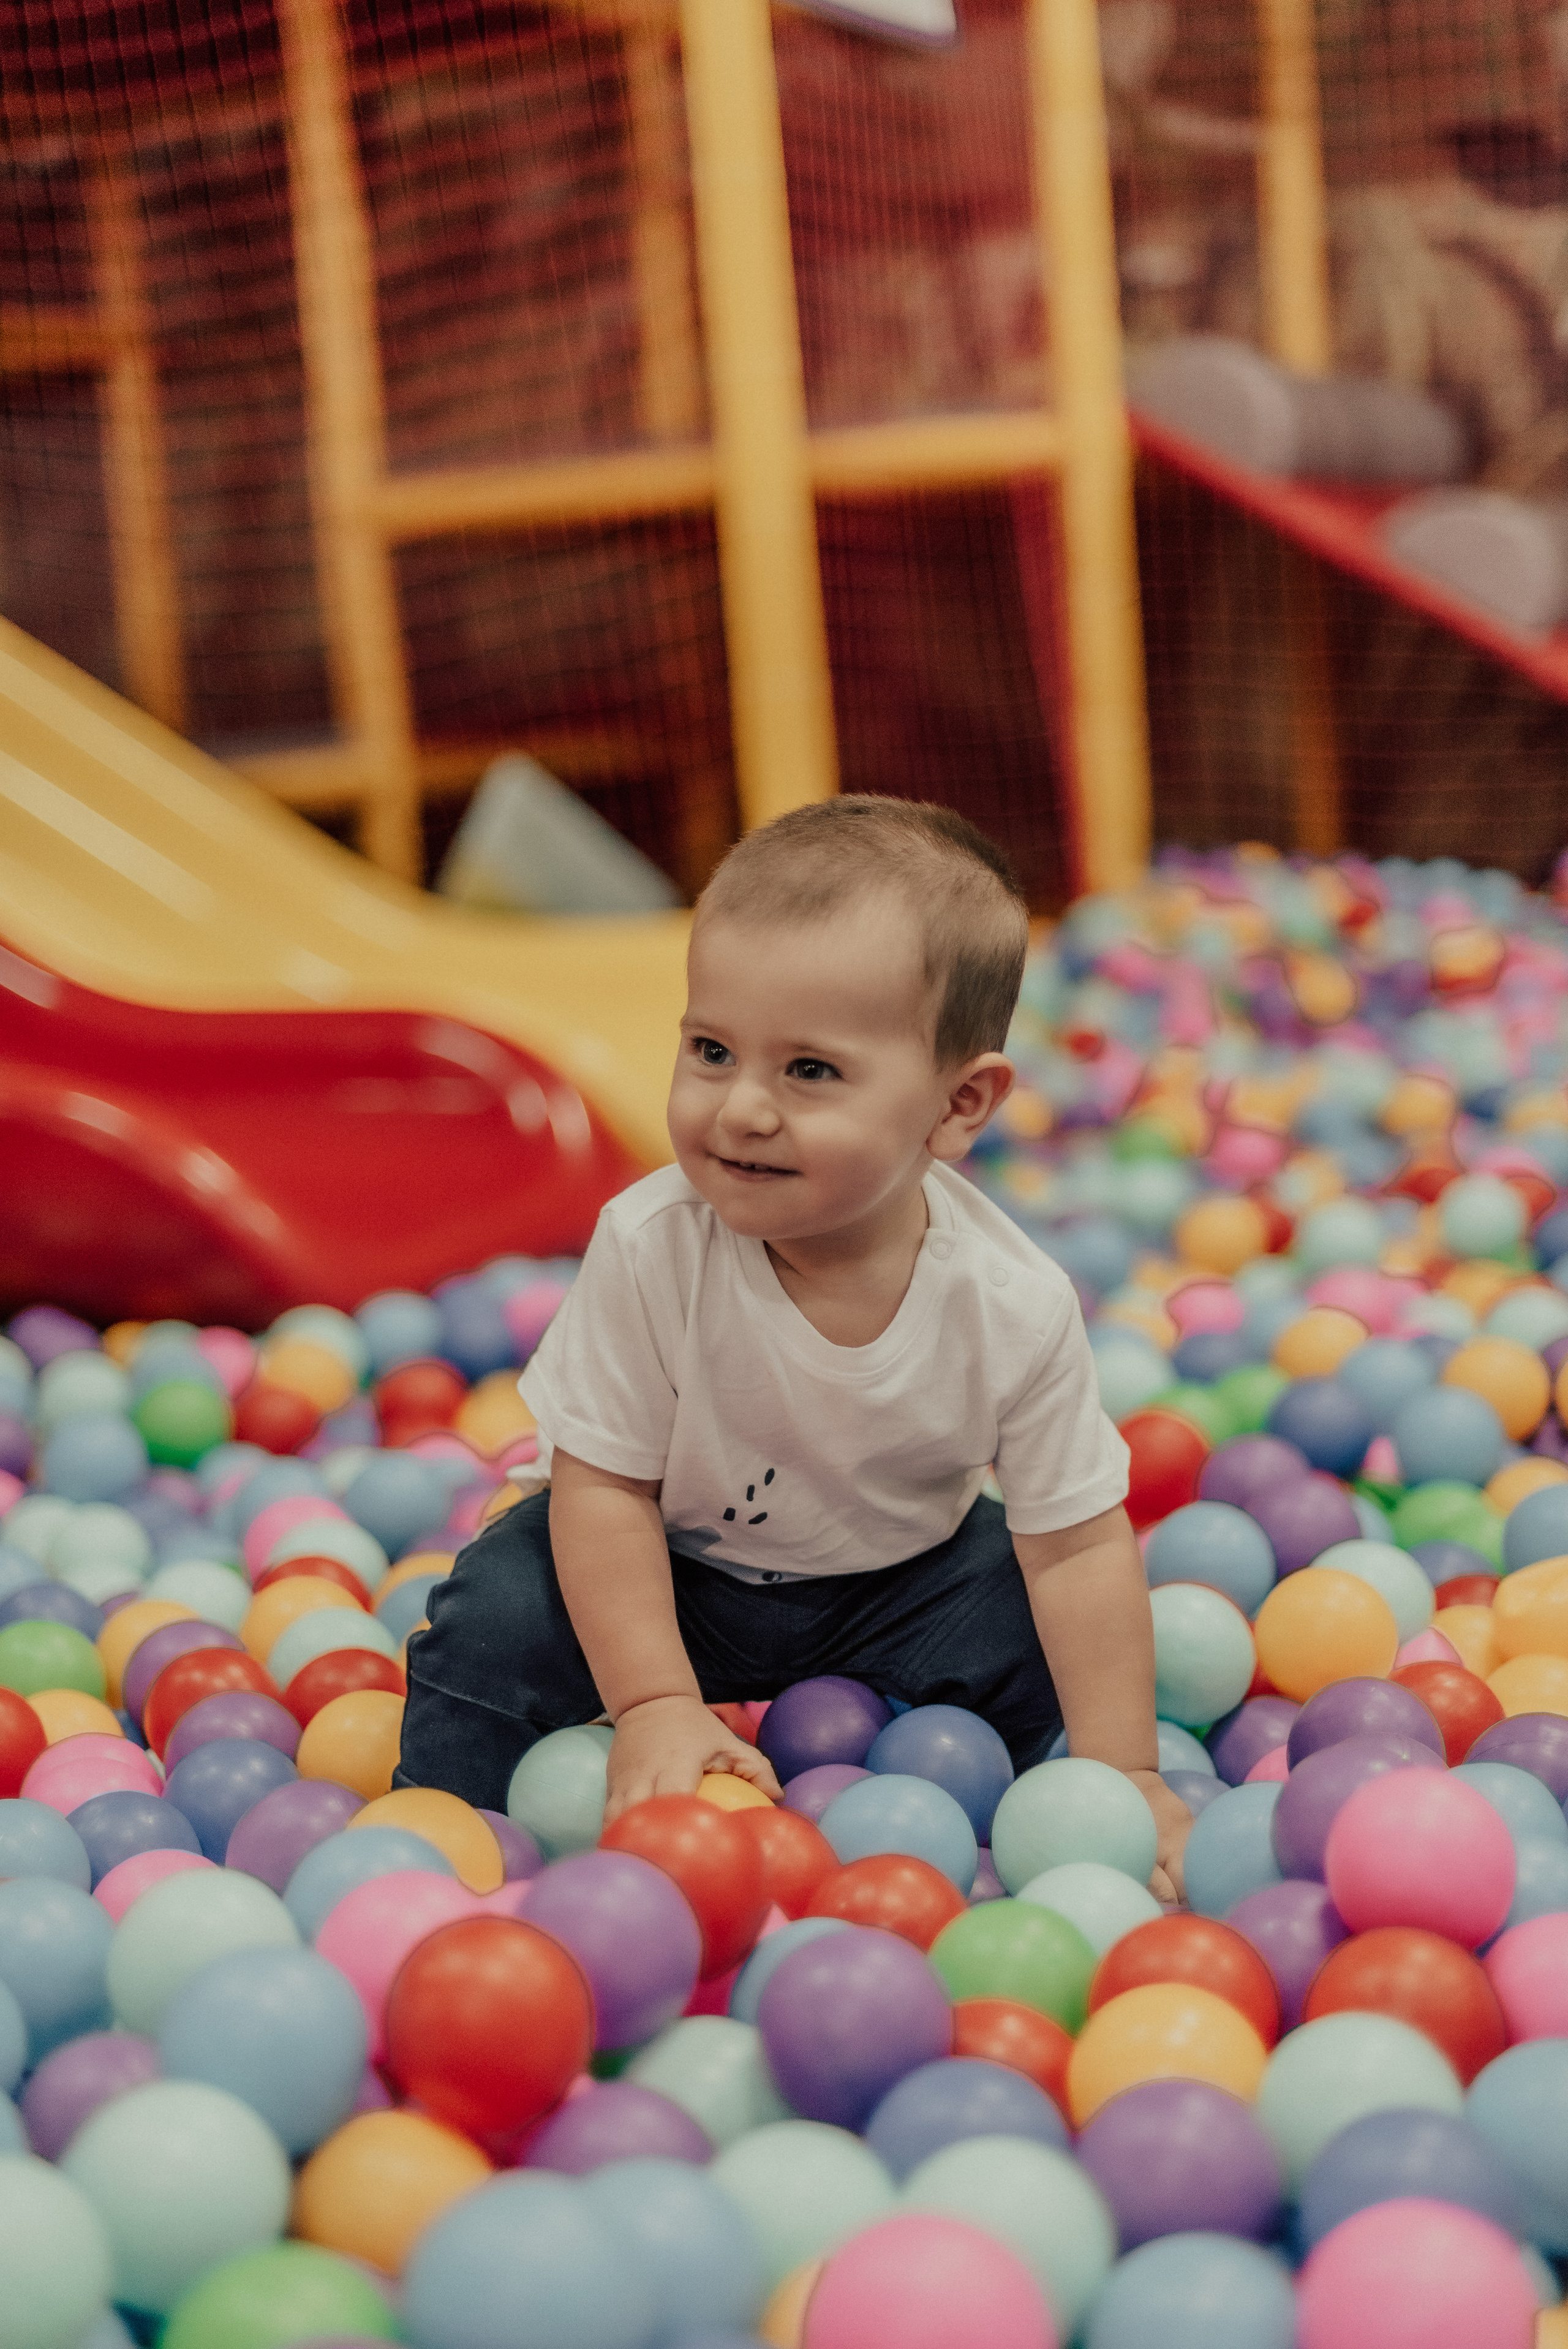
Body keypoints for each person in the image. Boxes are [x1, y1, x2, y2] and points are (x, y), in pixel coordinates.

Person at [398, 796, 1192, 1896]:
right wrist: (658, 1706)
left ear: (959, 1105)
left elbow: (1078, 1545)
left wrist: (1126, 1775)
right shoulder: (651, 1242)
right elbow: (605, 1491)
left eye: (809, 1071)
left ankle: (982, 1845)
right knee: (500, 1602)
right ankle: (445, 1848)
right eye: (713, 1050)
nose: (743, 1110)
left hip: (901, 1582)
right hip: (676, 1573)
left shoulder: (1012, 1301)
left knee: (1022, 1600)